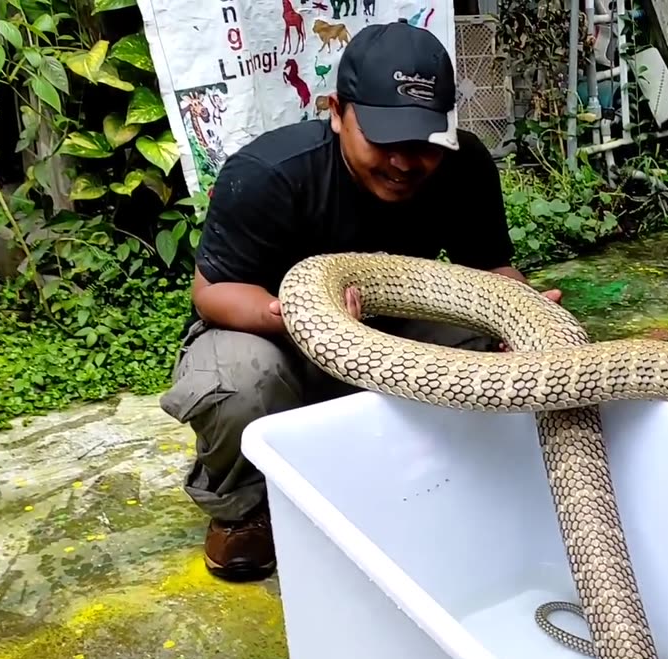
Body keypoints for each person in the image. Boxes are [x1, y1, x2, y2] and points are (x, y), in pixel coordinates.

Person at [159, 20, 561, 583]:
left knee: (496, 351)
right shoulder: (268, 173)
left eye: (425, 143)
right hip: (269, 334)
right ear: (336, 112)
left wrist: (517, 310)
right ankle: (244, 509)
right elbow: (213, 293)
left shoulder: (465, 165)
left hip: (392, 326)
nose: (405, 162)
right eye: (384, 139)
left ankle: (432, 478)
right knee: (241, 380)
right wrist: (298, 318)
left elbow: (489, 271)